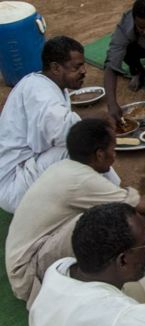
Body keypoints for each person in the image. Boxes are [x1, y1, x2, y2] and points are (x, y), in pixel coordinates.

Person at [5, 118, 145, 309]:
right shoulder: (82, 181)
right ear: (100, 154)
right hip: (29, 273)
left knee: (109, 224)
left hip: (35, 252)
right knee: (107, 226)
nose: (116, 154)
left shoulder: (66, 167)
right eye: (113, 148)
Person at [0, 36, 85, 213]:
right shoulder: (41, 94)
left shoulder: (45, 84)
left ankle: (113, 195)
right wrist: (100, 122)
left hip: (25, 171)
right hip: (14, 186)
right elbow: (69, 135)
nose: (84, 71)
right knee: (82, 147)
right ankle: (114, 198)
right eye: (77, 67)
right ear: (55, 68)